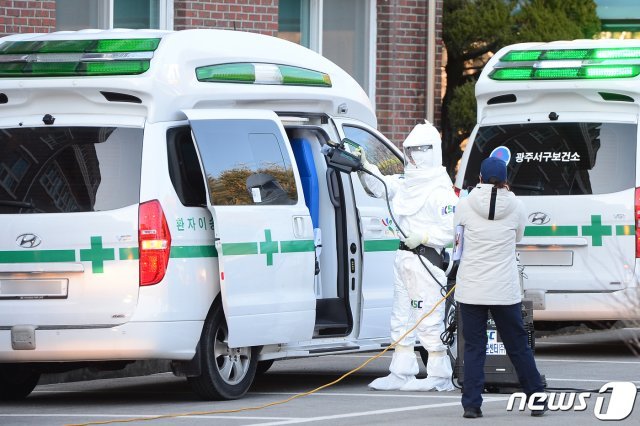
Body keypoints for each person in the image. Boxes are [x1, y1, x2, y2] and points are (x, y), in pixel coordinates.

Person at [356, 121, 457, 392]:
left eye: (418, 151)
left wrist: (424, 237)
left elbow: (451, 231)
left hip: (427, 260)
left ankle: (439, 374)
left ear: (431, 151)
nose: (412, 157)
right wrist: (364, 166)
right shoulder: (406, 185)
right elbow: (379, 187)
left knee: (428, 317)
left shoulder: (440, 191)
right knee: (402, 316)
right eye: (409, 151)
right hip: (404, 259)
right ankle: (401, 371)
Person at [454, 156, 546, 418]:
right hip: (504, 289)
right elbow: (518, 236)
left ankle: (472, 404)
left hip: (471, 287)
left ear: (480, 178)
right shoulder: (517, 206)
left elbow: (457, 238)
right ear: (506, 180)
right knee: (517, 345)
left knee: (474, 347)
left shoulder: (465, 204)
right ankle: (536, 399)